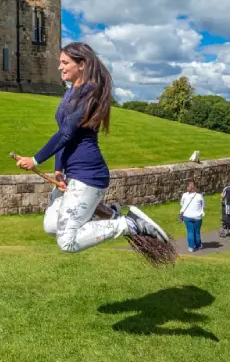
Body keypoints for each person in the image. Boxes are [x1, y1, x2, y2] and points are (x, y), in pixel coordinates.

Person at [15, 42, 169, 253]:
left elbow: (67, 132)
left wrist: (35, 160)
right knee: (51, 225)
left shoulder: (90, 91)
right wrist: (59, 170)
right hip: (72, 173)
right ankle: (109, 213)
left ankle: (131, 224)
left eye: (65, 62)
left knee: (67, 242)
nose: (60, 67)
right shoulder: (70, 92)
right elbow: (64, 133)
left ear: (82, 64)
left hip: (88, 174)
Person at [180, 181, 205, 252]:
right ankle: (198, 245)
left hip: (187, 216)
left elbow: (182, 204)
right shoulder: (199, 196)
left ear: (188, 188)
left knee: (190, 231)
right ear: (195, 188)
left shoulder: (184, 195)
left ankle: (191, 247)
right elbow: (203, 205)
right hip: (197, 217)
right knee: (197, 232)